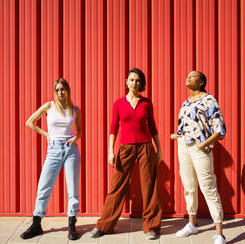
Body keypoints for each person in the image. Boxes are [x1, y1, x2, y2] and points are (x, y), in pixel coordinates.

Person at [90, 68, 163, 240]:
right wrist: (110, 150)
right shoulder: (119, 103)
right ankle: (105, 225)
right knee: (117, 186)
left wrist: (159, 149)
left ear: (141, 83)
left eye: (138, 80)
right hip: (126, 147)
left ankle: (151, 226)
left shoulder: (146, 102)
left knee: (149, 186)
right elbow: (113, 127)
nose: (134, 83)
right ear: (126, 82)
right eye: (132, 80)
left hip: (145, 146)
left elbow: (152, 125)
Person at [20, 78, 82, 240]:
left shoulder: (75, 109)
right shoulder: (49, 106)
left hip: (71, 151)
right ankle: (36, 223)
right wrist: (46, 134)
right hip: (54, 150)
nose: (60, 93)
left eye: (63, 89)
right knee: (44, 187)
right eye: (58, 90)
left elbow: (80, 131)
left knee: (73, 190)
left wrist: (77, 137)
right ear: (55, 92)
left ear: (67, 90)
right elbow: (29, 122)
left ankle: (71, 223)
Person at [170, 71, 227, 244]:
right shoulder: (186, 103)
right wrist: (178, 136)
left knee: (208, 187)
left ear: (201, 82)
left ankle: (219, 234)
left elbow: (220, 130)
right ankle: (192, 225)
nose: (188, 77)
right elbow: (186, 125)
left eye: (193, 76)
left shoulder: (209, 100)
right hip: (184, 147)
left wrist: (203, 144)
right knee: (189, 186)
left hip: (200, 149)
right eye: (187, 75)